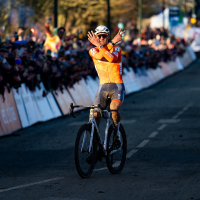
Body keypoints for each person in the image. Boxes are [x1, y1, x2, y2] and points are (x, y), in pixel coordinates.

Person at [87, 25, 125, 149]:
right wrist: (110, 42)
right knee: (95, 114)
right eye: (99, 36)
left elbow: (110, 58)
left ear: (108, 37)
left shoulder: (117, 49)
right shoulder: (93, 50)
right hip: (102, 87)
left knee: (114, 108)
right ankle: (96, 145)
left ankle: (116, 135)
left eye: (104, 36)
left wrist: (109, 44)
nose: (102, 38)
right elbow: (99, 56)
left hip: (117, 86)